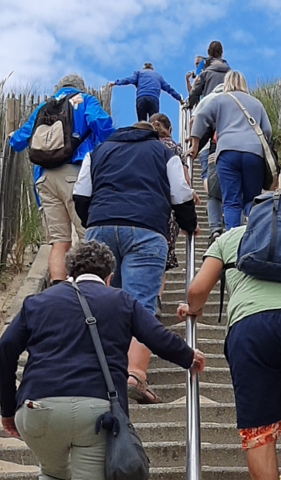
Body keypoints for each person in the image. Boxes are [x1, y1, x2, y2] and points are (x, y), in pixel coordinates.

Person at [0, 240, 206, 480]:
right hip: (96, 410)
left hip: (38, 406)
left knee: (52, 472)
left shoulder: (37, 301)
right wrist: (188, 356)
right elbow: (156, 336)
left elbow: (5, 348)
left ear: (69, 272)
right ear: (110, 276)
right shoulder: (121, 300)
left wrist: (8, 409)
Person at [178, 217, 281, 480]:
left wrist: (193, 309)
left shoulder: (230, 238)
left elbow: (196, 290)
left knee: (259, 429)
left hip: (251, 329)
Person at [73, 121, 199, 404]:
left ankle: (95, 375)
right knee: (140, 304)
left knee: (96, 302)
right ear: (152, 133)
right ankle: (135, 375)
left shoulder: (99, 150)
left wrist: (93, 221)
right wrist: (189, 224)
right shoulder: (164, 152)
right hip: (146, 228)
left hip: (101, 225)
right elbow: (180, 193)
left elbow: (80, 193)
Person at [9, 73, 115, 284]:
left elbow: (18, 141)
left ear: (59, 87)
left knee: (59, 241)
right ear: (81, 87)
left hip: (45, 179)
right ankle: (92, 289)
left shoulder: (44, 107)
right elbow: (101, 124)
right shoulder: (85, 100)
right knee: (88, 236)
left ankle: (58, 291)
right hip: (76, 176)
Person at [190, 70, 272, 230]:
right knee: (252, 200)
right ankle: (257, 234)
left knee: (231, 201)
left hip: (227, 152)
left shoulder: (219, 100)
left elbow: (200, 117)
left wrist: (194, 145)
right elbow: (267, 131)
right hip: (254, 154)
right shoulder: (256, 103)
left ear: (226, 83)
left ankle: (232, 241)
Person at [149, 112, 199, 316]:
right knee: (160, 253)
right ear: (169, 129)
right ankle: (156, 300)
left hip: (144, 205)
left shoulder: (144, 146)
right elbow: (184, 180)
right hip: (168, 209)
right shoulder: (174, 148)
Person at [191, 83, 225, 242]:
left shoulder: (210, 100)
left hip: (211, 150)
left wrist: (194, 143)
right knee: (236, 194)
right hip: (241, 150)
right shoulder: (239, 101)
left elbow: (196, 118)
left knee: (212, 193)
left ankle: (215, 228)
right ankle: (237, 230)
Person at [108, 62, 183, 121]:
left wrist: (115, 83)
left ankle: (142, 138)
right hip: (153, 99)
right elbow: (168, 88)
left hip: (141, 98)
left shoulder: (139, 73)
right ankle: (153, 139)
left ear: (143, 68)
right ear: (152, 69)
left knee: (142, 124)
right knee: (154, 124)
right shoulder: (158, 76)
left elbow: (130, 80)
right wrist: (179, 97)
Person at [186, 40, 231, 109]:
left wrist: (190, 104)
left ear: (208, 52)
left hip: (209, 105)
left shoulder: (204, 68)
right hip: (226, 105)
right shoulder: (228, 68)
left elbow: (196, 84)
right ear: (221, 53)